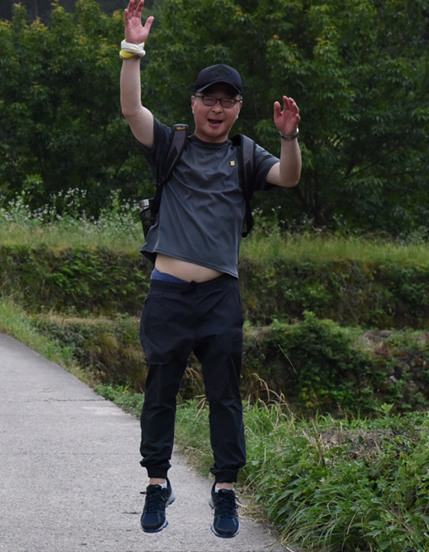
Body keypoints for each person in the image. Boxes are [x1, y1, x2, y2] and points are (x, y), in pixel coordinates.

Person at [120, 0, 302, 539]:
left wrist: (289, 138)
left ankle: (225, 489)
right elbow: (132, 110)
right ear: (194, 103)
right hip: (168, 292)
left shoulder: (247, 154)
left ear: (238, 108)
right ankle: (157, 482)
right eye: (209, 99)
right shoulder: (171, 144)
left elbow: (289, 178)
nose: (216, 109)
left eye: (227, 101)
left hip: (220, 295)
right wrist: (132, 50)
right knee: (160, 388)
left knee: (224, 393)